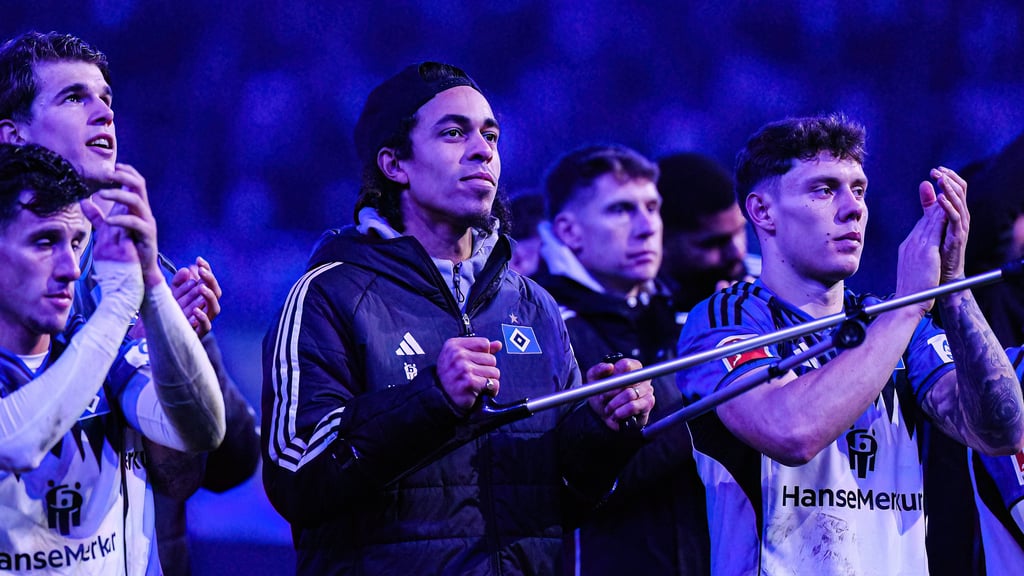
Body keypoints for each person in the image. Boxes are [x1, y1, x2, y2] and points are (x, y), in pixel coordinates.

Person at [261, 61, 655, 575]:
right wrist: (432, 398)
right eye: (453, 133)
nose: (482, 150)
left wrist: (602, 428)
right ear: (394, 164)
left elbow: (566, 502)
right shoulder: (330, 294)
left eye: (491, 135)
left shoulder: (532, 304)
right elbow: (298, 476)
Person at [675, 113, 1024, 575]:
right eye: (823, 189)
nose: (853, 207)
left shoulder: (904, 328)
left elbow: (1001, 433)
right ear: (762, 211)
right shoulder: (725, 318)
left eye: (858, 189)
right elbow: (790, 432)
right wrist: (905, 308)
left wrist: (953, 287)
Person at [0, 31, 260, 575]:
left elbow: (206, 464)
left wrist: (180, 338)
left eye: (106, 99)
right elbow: (15, 439)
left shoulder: (138, 264)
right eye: (74, 97)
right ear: (12, 135)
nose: (103, 113)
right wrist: (126, 309)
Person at [0, 142, 225, 574]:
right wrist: (120, 305)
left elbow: (202, 430)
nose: (69, 267)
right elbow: (18, 442)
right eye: (45, 242)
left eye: (78, 242)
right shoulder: (103, 338)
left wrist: (154, 288)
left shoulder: (102, 354)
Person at [539, 144, 709, 575]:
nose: (647, 227)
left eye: (652, 207)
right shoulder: (539, 328)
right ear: (569, 231)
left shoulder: (685, 318)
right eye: (620, 210)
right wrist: (727, 404)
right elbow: (568, 479)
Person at [657, 152, 757, 324]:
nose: (738, 252)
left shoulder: (771, 280)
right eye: (714, 243)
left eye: (741, 230)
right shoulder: (633, 310)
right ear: (662, 240)